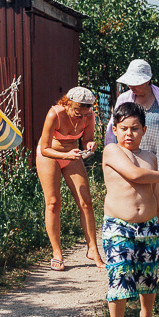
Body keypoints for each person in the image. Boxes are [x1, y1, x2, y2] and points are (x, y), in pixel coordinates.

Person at [99, 101, 159, 317]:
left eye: (135, 129)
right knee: (119, 276)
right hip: (118, 226)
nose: (129, 134)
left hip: (148, 227)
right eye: (123, 128)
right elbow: (134, 175)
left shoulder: (150, 157)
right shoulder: (111, 150)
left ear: (144, 130)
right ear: (114, 129)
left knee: (148, 276)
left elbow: (156, 195)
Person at [106, 59, 159, 230]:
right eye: (130, 82)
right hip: (130, 161)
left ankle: (154, 243)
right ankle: (133, 239)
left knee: (157, 208)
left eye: (136, 82)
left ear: (147, 80)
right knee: (133, 205)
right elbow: (113, 128)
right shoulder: (124, 99)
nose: (131, 86)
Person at [36, 86, 105, 271]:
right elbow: (44, 148)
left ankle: (93, 249)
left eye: (85, 114)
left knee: (86, 203)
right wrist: (65, 156)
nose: (81, 117)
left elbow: (87, 139)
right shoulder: (55, 114)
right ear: (67, 103)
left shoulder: (88, 115)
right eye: (77, 112)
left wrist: (90, 145)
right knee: (53, 202)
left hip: (72, 155)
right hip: (49, 155)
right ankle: (57, 252)